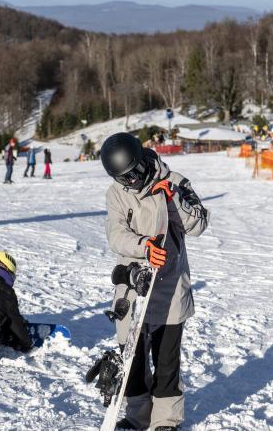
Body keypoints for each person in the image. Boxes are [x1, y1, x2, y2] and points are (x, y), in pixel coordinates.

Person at [100, 132, 208, 431]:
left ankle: (165, 421)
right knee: (131, 357)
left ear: (140, 160)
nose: (131, 182)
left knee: (165, 361)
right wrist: (144, 245)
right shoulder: (117, 193)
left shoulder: (175, 181)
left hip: (170, 288)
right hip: (134, 287)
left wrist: (173, 199)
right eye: (123, 178)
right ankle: (138, 416)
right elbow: (116, 234)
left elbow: (199, 224)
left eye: (133, 173)